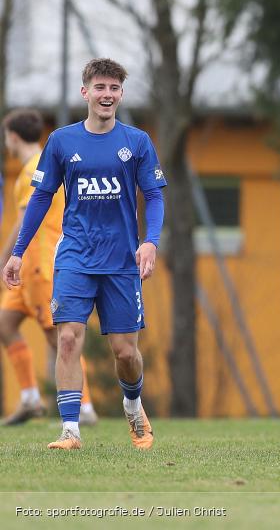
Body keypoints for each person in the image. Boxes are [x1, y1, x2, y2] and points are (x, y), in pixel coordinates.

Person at [2, 58, 166, 450]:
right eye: (100, 88)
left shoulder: (137, 142)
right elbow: (41, 198)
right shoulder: (62, 141)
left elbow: (156, 195)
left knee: (125, 353)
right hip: (74, 255)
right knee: (69, 339)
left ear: (121, 95)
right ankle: (70, 430)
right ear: (85, 92)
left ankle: (132, 404)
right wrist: (17, 252)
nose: (106, 95)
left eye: (113, 89)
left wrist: (150, 241)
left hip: (122, 260)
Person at [0, 109, 97, 427]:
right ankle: (30, 398)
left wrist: (5, 257)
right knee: (5, 323)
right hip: (27, 271)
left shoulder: (34, 169)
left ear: (12, 136)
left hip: (42, 266)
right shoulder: (39, 163)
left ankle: (84, 408)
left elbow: (26, 220)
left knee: (60, 338)